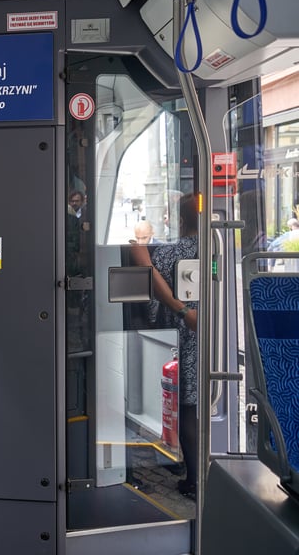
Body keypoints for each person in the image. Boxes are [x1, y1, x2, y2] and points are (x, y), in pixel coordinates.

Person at [131, 192, 199, 498]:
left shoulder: (172, 252)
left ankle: (192, 478)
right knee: (198, 403)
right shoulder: (216, 247)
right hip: (209, 334)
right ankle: (200, 473)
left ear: (181, 221)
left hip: (183, 335)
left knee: (185, 406)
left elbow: (153, 300)